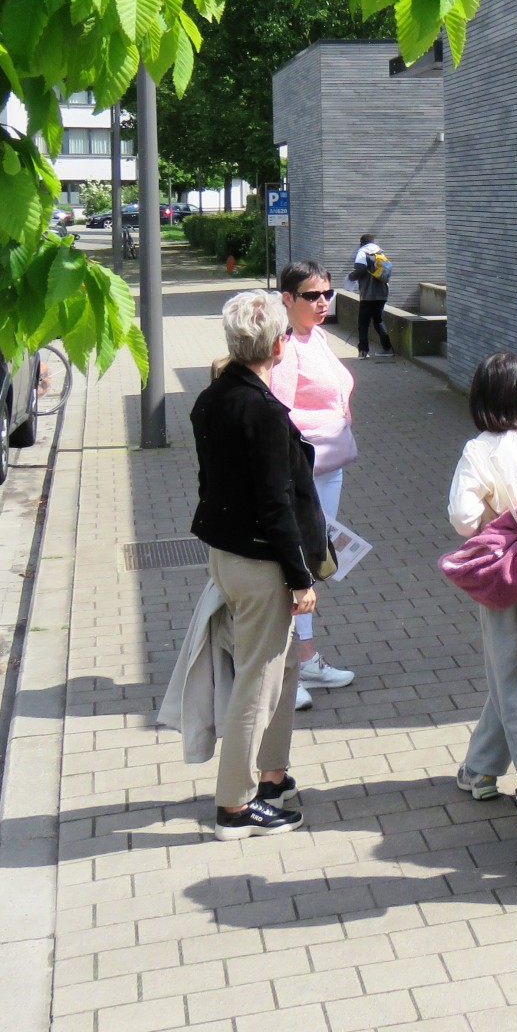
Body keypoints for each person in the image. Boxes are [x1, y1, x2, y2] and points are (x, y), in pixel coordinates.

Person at [188, 291, 326, 838]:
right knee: (257, 683)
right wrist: (300, 578)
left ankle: (271, 775)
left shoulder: (212, 397)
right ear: (275, 343)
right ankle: (235, 805)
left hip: (227, 554)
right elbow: (276, 503)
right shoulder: (262, 411)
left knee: (283, 668)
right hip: (260, 560)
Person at [448, 352, 517, 816]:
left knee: (510, 677)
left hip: (504, 573)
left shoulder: (479, 449)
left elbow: (464, 519)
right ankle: (480, 768)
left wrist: (496, 518)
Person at [268, 261, 358, 710]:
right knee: (296, 566)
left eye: (327, 294)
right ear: (287, 299)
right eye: (311, 295)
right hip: (303, 472)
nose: (322, 302)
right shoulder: (285, 347)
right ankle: (290, 666)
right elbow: (277, 414)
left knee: (313, 562)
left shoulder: (318, 337)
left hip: (330, 466)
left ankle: (305, 658)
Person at [349, 233, 393, 359]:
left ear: (362, 243)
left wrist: (350, 277)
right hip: (382, 293)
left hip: (368, 294)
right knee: (378, 321)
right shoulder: (381, 254)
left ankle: (363, 351)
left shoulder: (362, 253)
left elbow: (360, 269)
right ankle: (387, 348)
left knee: (363, 323)